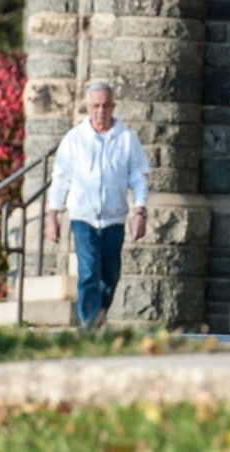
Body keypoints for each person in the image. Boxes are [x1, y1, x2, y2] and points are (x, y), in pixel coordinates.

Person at [45, 81, 150, 329]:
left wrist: (140, 211)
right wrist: (53, 215)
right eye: (95, 106)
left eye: (105, 106)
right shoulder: (74, 139)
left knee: (110, 275)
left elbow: (139, 176)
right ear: (87, 107)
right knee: (89, 270)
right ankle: (90, 323)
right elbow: (60, 179)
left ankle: (98, 316)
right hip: (83, 217)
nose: (100, 111)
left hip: (113, 218)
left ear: (113, 106)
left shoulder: (126, 139)